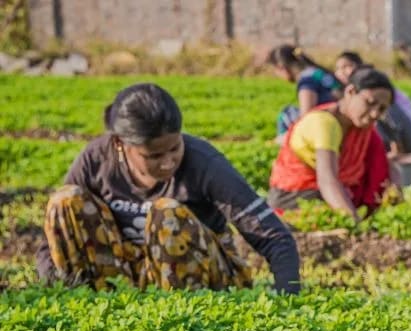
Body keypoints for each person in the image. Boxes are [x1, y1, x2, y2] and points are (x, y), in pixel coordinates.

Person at [36, 83, 300, 294]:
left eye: (174, 148)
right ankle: (93, 300)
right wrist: (55, 294)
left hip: (205, 284)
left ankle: (179, 317)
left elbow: (275, 237)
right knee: (64, 200)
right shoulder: (96, 159)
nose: (168, 162)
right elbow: (55, 236)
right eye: (153, 156)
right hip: (124, 280)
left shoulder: (204, 162)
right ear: (120, 144)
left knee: (167, 214)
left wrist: (286, 299)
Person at [267, 67, 398, 224]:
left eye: (382, 109)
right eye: (370, 103)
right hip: (296, 199)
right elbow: (327, 179)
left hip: (334, 196)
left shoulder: (363, 129)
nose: (375, 113)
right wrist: (353, 221)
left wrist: (396, 190)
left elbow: (385, 165)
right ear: (350, 92)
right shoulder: (325, 123)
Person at [334, 51, 411, 155]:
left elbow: (391, 118)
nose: (342, 72)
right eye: (338, 68)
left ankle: (393, 149)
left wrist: (397, 147)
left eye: (347, 66)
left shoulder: (378, 89)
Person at [268, 45, 342, 138]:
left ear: (281, 67)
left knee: (286, 113)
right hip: (338, 116)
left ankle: (284, 143)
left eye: (276, 71)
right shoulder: (318, 72)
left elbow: (306, 115)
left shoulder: (307, 80)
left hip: (328, 122)